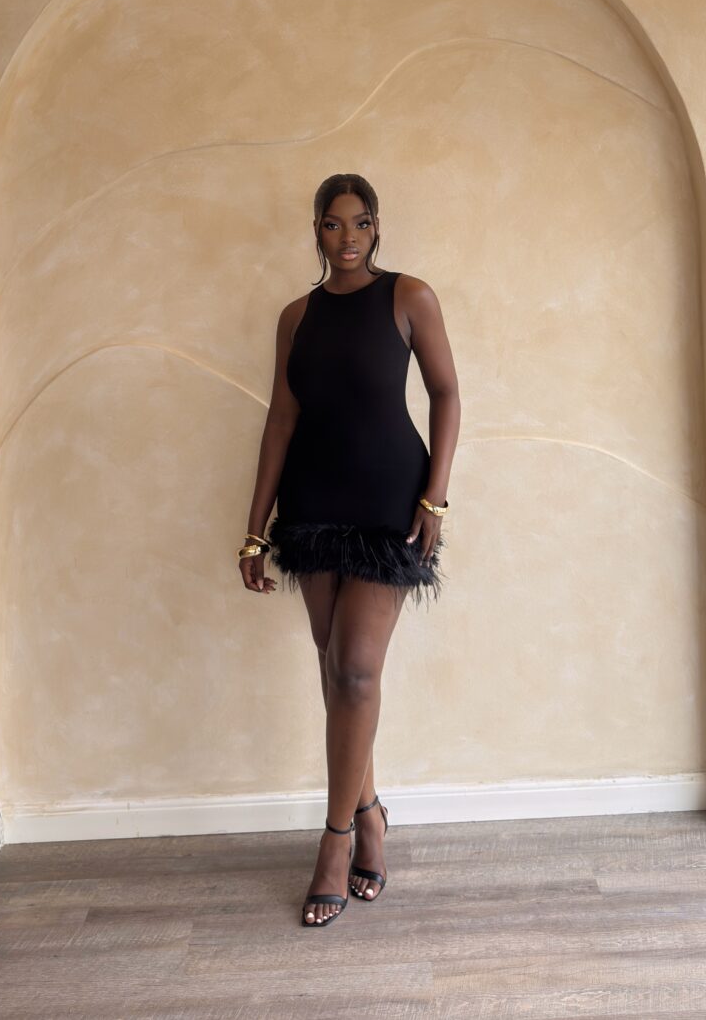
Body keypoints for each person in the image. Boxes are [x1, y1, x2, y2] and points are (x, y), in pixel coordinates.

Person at [239, 172, 461, 927]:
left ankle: (336, 839)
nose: (348, 238)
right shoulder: (295, 316)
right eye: (333, 225)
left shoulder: (409, 297)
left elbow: (447, 394)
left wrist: (435, 497)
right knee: (336, 669)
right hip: (312, 507)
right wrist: (255, 527)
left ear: (376, 227)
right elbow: (280, 419)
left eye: (360, 223)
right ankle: (369, 814)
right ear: (316, 231)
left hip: (389, 505)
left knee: (358, 669)